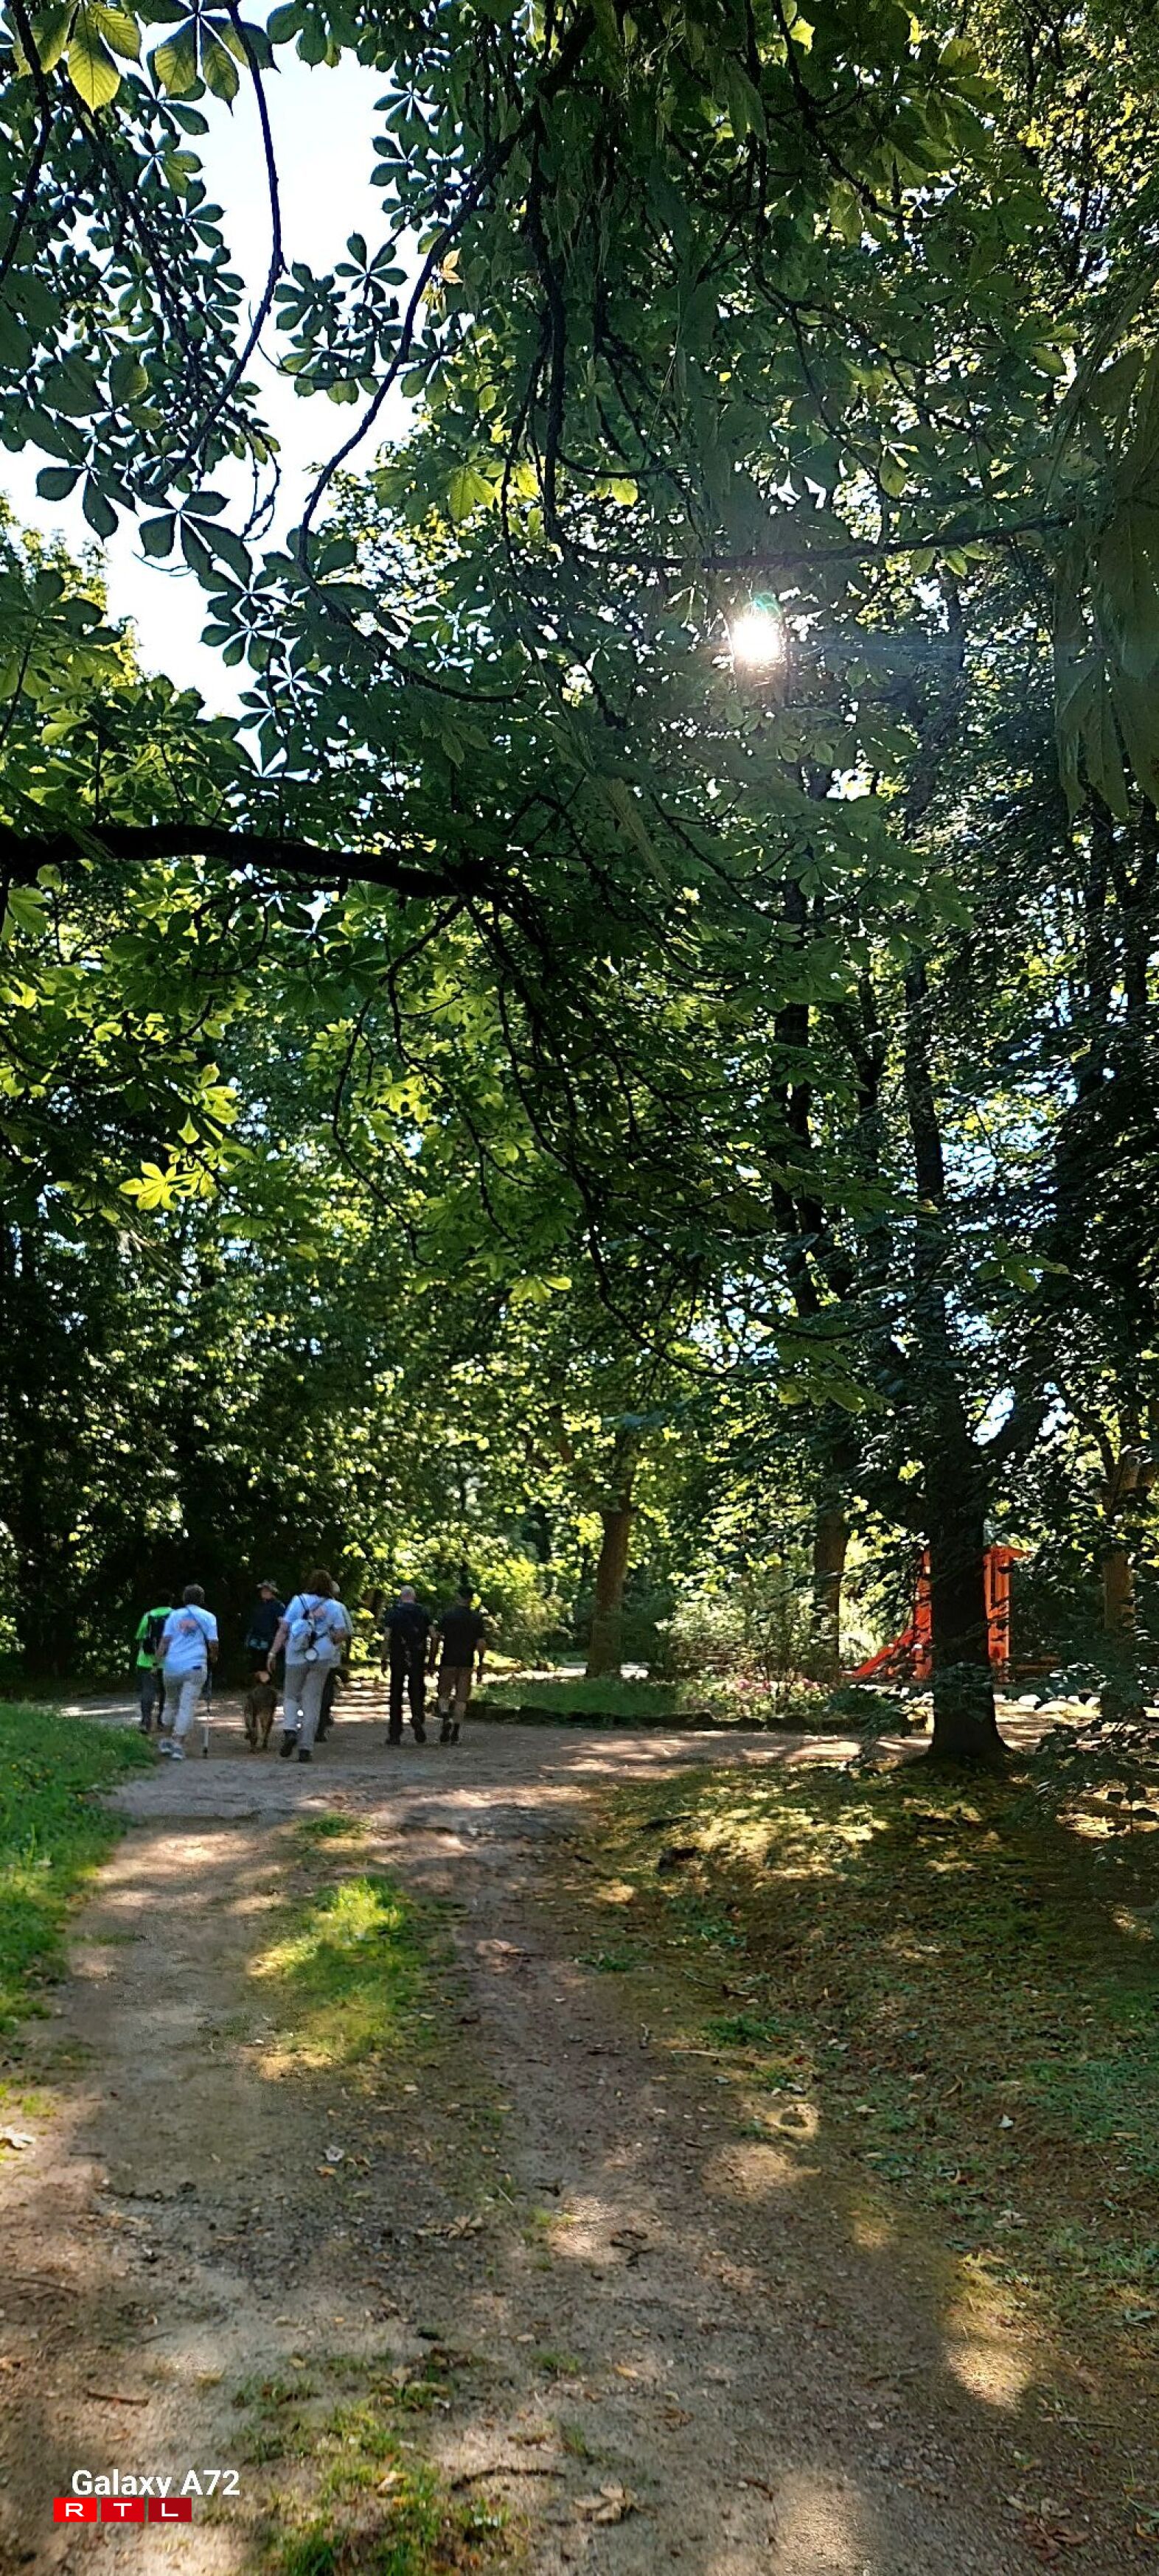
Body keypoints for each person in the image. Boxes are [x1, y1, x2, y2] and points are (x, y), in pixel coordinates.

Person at [265, 1569, 348, 1763]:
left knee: (291, 1696)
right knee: (312, 1700)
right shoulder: (334, 1606)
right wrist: (330, 1640)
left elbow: (284, 1629)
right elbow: (342, 1633)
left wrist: (272, 1653)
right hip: (321, 1656)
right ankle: (306, 1748)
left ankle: (290, 1730)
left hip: (296, 1654)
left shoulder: (298, 1601)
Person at [157, 1585, 219, 1760]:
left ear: (184, 1599)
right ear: (202, 1600)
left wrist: (157, 1662)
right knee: (187, 1705)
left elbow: (165, 1641)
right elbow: (213, 1642)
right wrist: (214, 1656)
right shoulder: (208, 1617)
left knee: (170, 1702)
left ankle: (166, 1740)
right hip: (195, 1666)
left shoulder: (174, 1615)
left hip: (171, 1666)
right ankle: (178, 1744)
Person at [430, 1584, 488, 1744]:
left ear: (458, 1597)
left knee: (444, 1694)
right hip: (466, 1663)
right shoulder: (476, 1619)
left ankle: (445, 1716)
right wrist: (481, 1664)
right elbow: (481, 1644)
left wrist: (432, 1660)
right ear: (471, 1599)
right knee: (461, 1698)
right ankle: (455, 1732)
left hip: (448, 1661)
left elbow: (436, 1638)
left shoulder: (448, 1616)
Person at [380, 1585, 432, 1745]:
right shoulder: (423, 1612)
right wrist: (431, 1658)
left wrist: (383, 1657)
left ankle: (395, 1732)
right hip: (417, 1655)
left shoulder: (393, 1613)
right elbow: (434, 1635)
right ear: (414, 1597)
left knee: (396, 1692)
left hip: (398, 1655)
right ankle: (417, 1715)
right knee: (417, 1688)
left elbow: (387, 1636)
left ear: (401, 1597)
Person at [317, 1585, 352, 1740]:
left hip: (309, 1656)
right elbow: (348, 1632)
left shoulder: (308, 1605)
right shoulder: (339, 1608)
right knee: (327, 1689)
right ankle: (322, 1724)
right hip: (330, 1656)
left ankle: (309, 1723)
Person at [133, 1599, 173, 1732]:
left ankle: (146, 1721)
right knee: (164, 1691)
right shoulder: (175, 1615)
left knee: (147, 1691)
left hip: (146, 1661)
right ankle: (161, 1720)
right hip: (168, 1661)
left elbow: (140, 1636)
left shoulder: (148, 1615)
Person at [244, 1579, 285, 1674]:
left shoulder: (278, 1605)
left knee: (267, 1666)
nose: (264, 1592)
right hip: (255, 1638)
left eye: (267, 1590)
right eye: (263, 1590)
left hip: (269, 1640)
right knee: (254, 1664)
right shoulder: (259, 1604)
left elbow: (282, 1624)